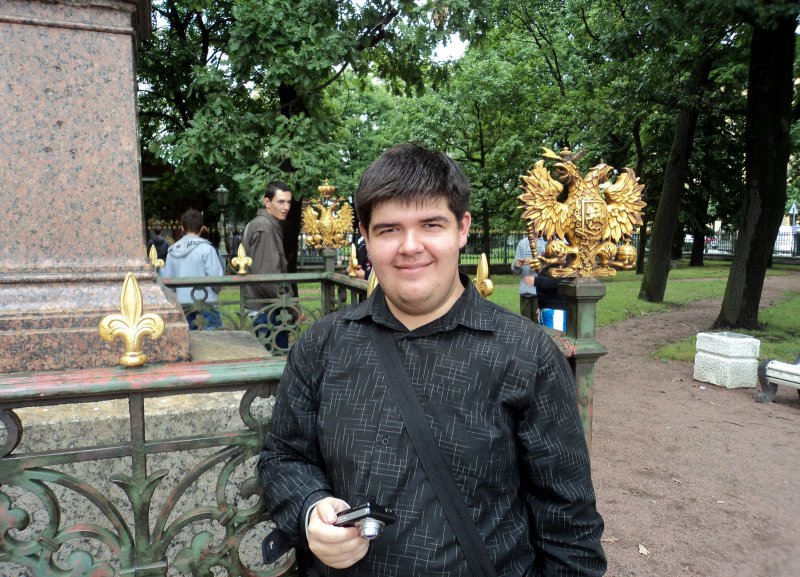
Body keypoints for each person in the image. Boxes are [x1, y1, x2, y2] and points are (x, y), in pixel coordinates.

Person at [257, 143, 606, 576]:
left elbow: (568, 526)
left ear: (462, 229)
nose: (410, 246)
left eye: (431, 224)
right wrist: (310, 508)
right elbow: (283, 457)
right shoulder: (323, 345)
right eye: (389, 229)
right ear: (365, 237)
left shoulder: (526, 354)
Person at [243, 180, 292, 350]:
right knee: (275, 359)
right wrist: (291, 306)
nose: (286, 207)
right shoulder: (264, 227)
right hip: (267, 309)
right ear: (267, 202)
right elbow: (266, 277)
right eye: (281, 202)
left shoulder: (264, 224)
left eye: (288, 202)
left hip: (265, 307)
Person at [160, 209, 224, 330]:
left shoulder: (172, 250)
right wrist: (215, 291)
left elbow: (168, 281)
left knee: (186, 337)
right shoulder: (207, 249)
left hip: (182, 301)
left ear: (182, 227)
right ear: (202, 228)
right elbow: (217, 279)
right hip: (206, 300)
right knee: (214, 336)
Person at [511, 236, 547, 323]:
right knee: (526, 325)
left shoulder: (545, 243)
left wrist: (535, 262)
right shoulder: (522, 243)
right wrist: (516, 265)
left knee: (540, 325)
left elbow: (549, 266)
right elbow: (516, 271)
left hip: (540, 295)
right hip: (525, 294)